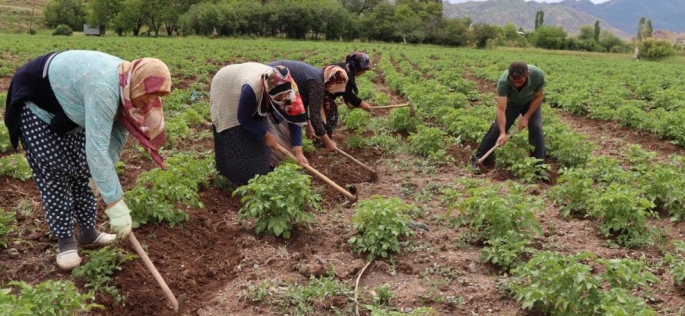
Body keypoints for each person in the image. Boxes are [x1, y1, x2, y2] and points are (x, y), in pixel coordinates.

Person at [4, 50, 172, 271]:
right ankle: (65, 242)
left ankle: (88, 233)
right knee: (56, 174)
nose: (149, 102)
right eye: (148, 95)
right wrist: (116, 206)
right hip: (39, 104)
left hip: (72, 107)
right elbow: (97, 149)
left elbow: (116, 136)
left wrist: (101, 174)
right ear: (139, 83)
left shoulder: (127, 85)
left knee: (85, 170)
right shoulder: (104, 88)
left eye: (154, 97)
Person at [210, 63, 309, 186]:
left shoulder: (289, 87)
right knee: (236, 134)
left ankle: (259, 178)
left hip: (247, 81)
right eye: (278, 96)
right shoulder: (252, 89)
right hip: (226, 86)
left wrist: (298, 152)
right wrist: (266, 135)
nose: (283, 98)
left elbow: (294, 117)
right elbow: (243, 118)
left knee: (259, 134)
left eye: (285, 95)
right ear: (268, 92)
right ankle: (234, 182)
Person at [470, 61, 547, 178]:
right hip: (512, 104)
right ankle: (479, 159)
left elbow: (538, 96)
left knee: (536, 129)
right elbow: (501, 109)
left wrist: (526, 116)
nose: (517, 85)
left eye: (520, 82)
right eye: (514, 82)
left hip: (531, 102)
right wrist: (502, 133)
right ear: (510, 76)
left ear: (527, 75)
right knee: (496, 130)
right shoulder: (503, 82)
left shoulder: (537, 75)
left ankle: (539, 167)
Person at [267, 60, 348, 151]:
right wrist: (328, 142)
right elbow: (315, 117)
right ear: (331, 82)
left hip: (273, 76)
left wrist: (308, 126)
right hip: (272, 81)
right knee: (274, 121)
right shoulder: (317, 83)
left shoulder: (318, 76)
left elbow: (301, 102)